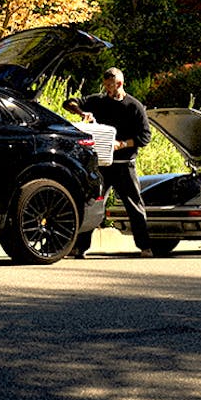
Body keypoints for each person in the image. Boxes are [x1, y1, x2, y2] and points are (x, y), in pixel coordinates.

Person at [63, 67, 153, 258]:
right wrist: (81, 112)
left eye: (110, 86)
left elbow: (145, 137)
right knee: (92, 204)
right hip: (101, 165)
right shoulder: (98, 101)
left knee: (134, 205)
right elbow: (68, 102)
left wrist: (122, 144)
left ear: (119, 84)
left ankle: (145, 247)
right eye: (105, 86)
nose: (107, 90)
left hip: (124, 164)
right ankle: (79, 247)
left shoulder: (134, 107)